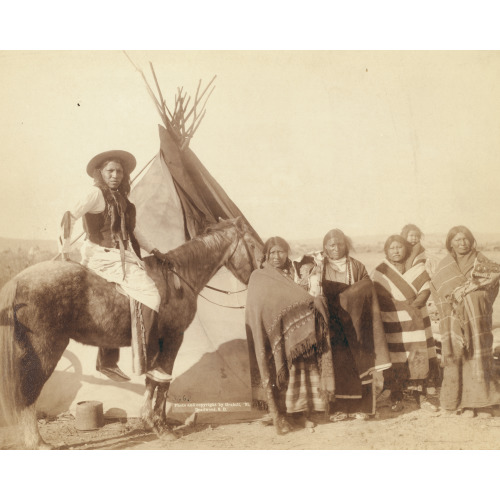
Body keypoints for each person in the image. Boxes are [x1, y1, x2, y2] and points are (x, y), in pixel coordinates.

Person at [59, 150, 171, 383]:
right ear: (100, 172)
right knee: (152, 296)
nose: (115, 175)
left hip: (121, 256)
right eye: (110, 171)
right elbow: (69, 216)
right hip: (102, 257)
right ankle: (149, 363)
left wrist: (155, 250)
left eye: (119, 171)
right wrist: (65, 251)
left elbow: (133, 231)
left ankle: (107, 362)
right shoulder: (95, 194)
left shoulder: (122, 198)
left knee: (121, 301)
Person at [298, 229, 392, 421]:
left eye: (340, 244)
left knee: (360, 362)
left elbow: (367, 291)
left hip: (356, 324)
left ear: (346, 245)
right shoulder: (318, 266)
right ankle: (338, 409)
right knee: (337, 364)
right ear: (325, 247)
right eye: (331, 245)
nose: (336, 248)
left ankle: (362, 408)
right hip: (332, 325)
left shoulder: (357, 266)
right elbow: (309, 292)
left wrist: (349, 298)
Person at [245, 237, 334, 429]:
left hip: (297, 334)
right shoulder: (259, 276)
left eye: (281, 252)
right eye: (272, 253)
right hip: (273, 336)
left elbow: (302, 297)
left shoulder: (293, 273)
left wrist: (315, 301)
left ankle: (301, 413)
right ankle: (277, 412)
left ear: (287, 253)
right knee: (279, 371)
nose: (277, 257)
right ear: (266, 255)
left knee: (301, 371)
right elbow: (259, 308)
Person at [430, 226, 500, 418]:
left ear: (471, 240)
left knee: (477, 355)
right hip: (453, 321)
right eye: (458, 240)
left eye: (465, 239)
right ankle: (458, 403)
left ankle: (482, 404)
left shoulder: (481, 260)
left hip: (477, 318)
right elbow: (437, 292)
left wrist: (471, 297)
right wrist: (458, 301)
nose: (462, 243)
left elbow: (492, 283)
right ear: (450, 243)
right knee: (456, 357)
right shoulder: (444, 265)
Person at [372, 235, 438, 412]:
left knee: (418, 355)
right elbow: (379, 297)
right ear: (386, 251)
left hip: (416, 321)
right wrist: (403, 308)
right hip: (393, 322)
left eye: (399, 247)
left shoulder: (418, 268)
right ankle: (396, 396)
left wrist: (412, 307)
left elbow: (425, 291)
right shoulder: (380, 271)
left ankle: (420, 396)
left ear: (406, 249)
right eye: (392, 248)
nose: (396, 251)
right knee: (396, 359)